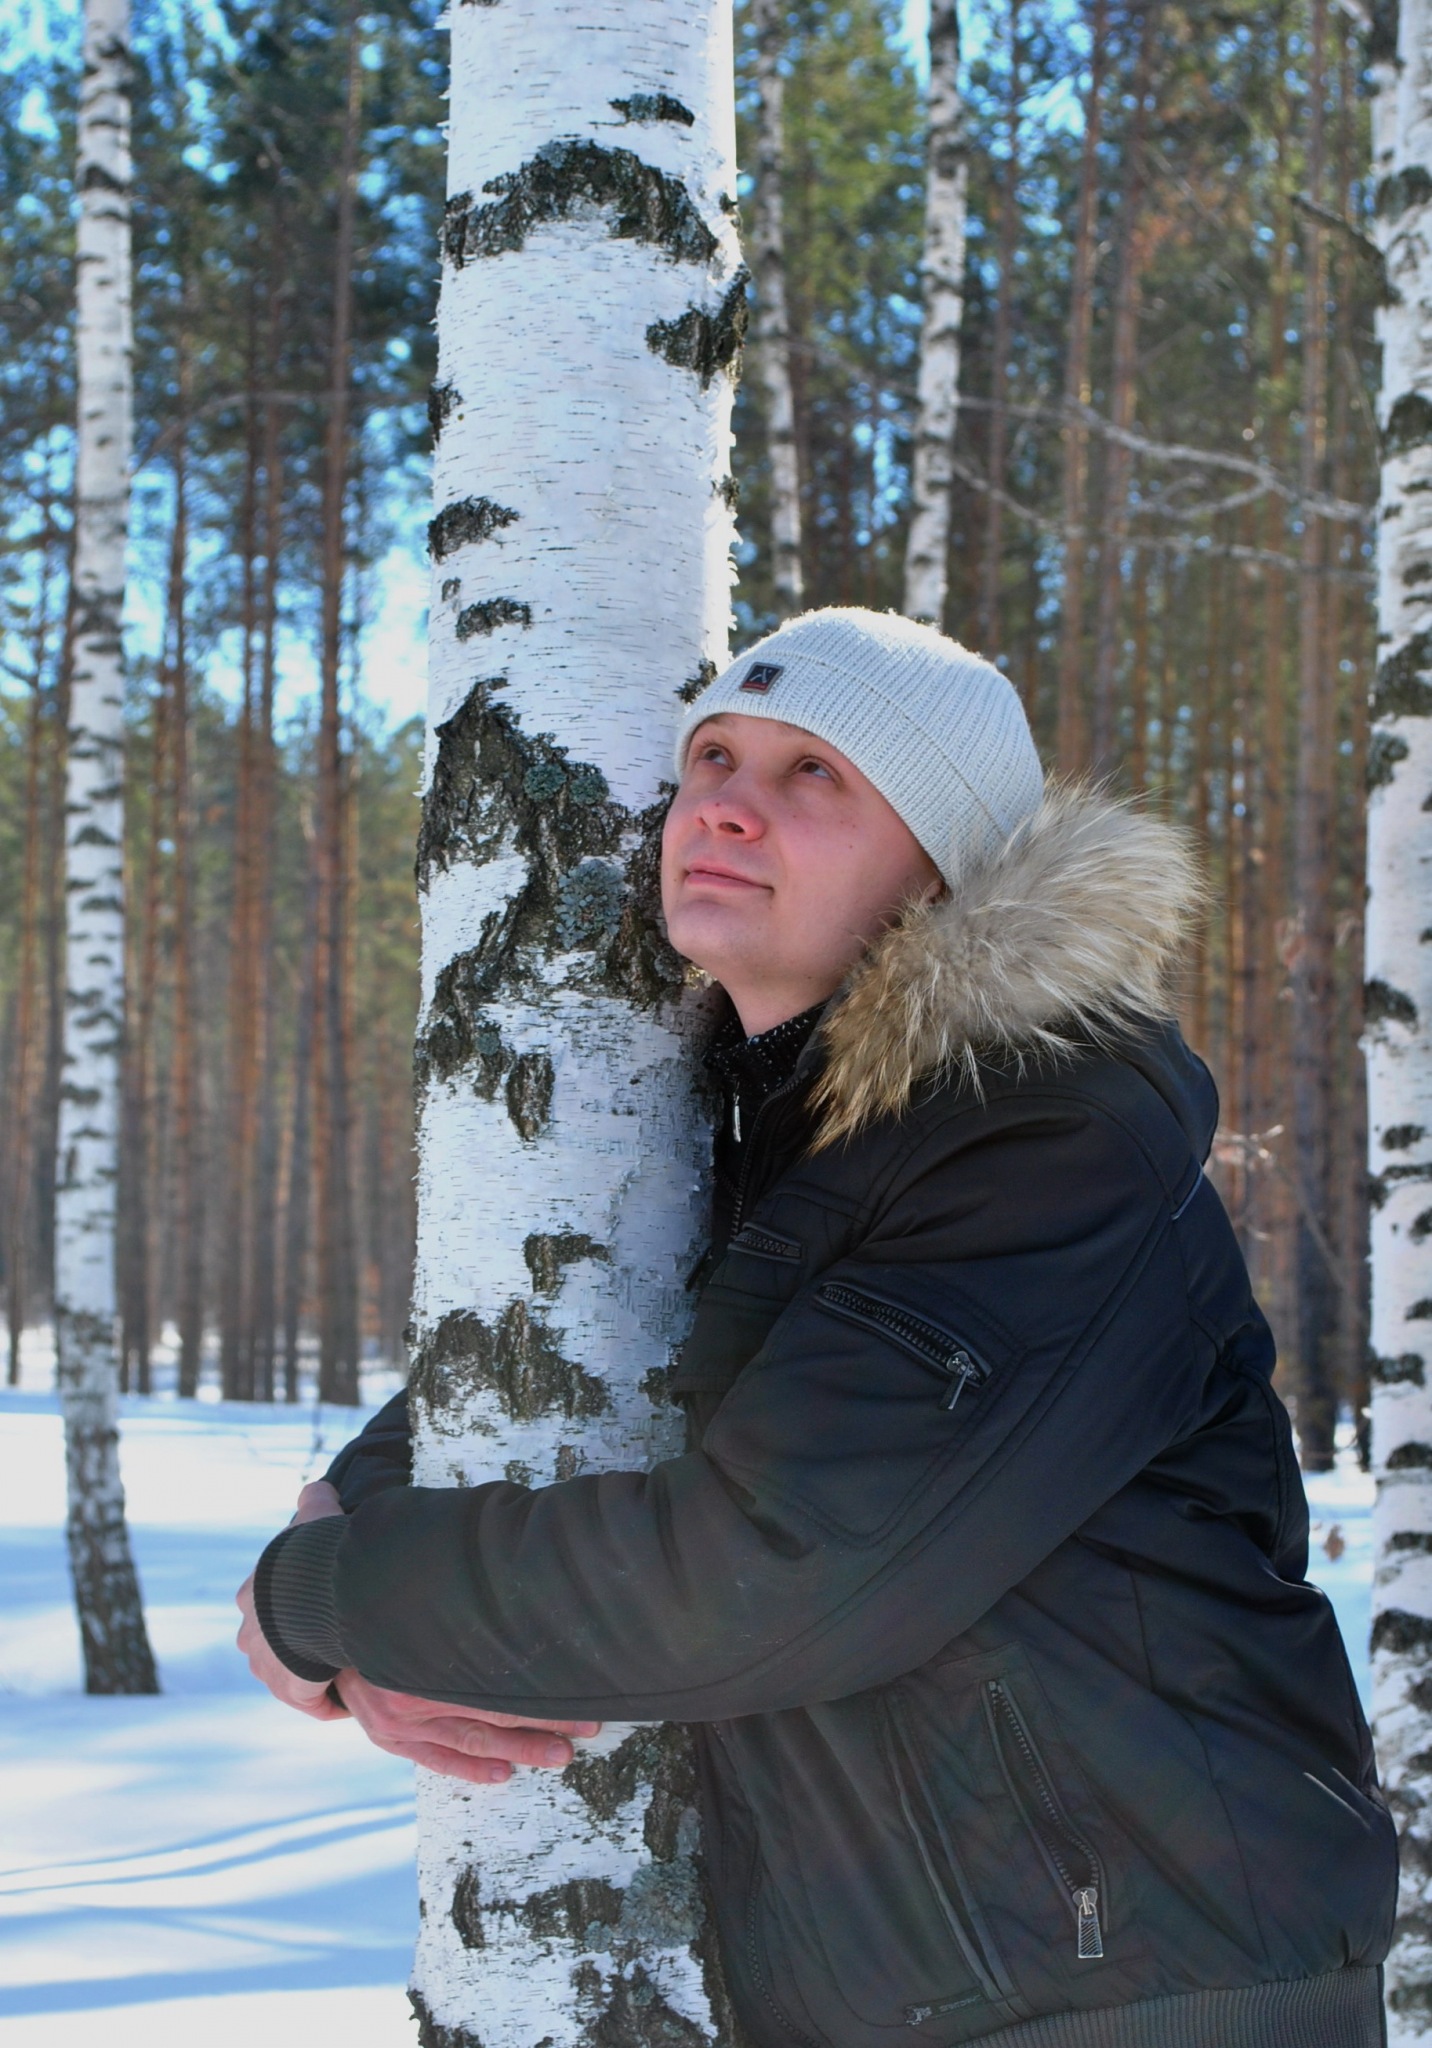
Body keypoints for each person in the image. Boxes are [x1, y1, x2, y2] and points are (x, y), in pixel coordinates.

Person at [238, 607, 1396, 2048]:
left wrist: (335, 1596)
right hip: (940, 1995)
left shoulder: (1046, 1140)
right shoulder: (775, 1137)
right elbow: (640, 1355)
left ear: (943, 865)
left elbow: (773, 1571)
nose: (724, 804)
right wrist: (370, 1503)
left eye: (815, 775)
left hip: (1152, 1992)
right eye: (713, 756)